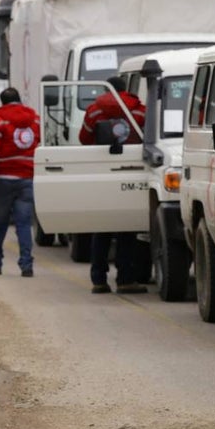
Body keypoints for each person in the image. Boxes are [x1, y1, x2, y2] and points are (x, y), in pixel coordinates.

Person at [79, 75, 148, 294]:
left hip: (102, 171)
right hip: (130, 170)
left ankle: (99, 280)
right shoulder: (139, 110)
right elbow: (147, 136)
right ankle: (126, 279)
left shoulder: (94, 110)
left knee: (102, 227)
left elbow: (83, 139)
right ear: (125, 89)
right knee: (127, 228)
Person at [0, 87, 39, 277]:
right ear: (19, 100)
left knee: (0, 223)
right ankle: (26, 265)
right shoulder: (35, 121)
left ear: (2, 102)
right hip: (27, 179)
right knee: (24, 224)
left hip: (3, 181)